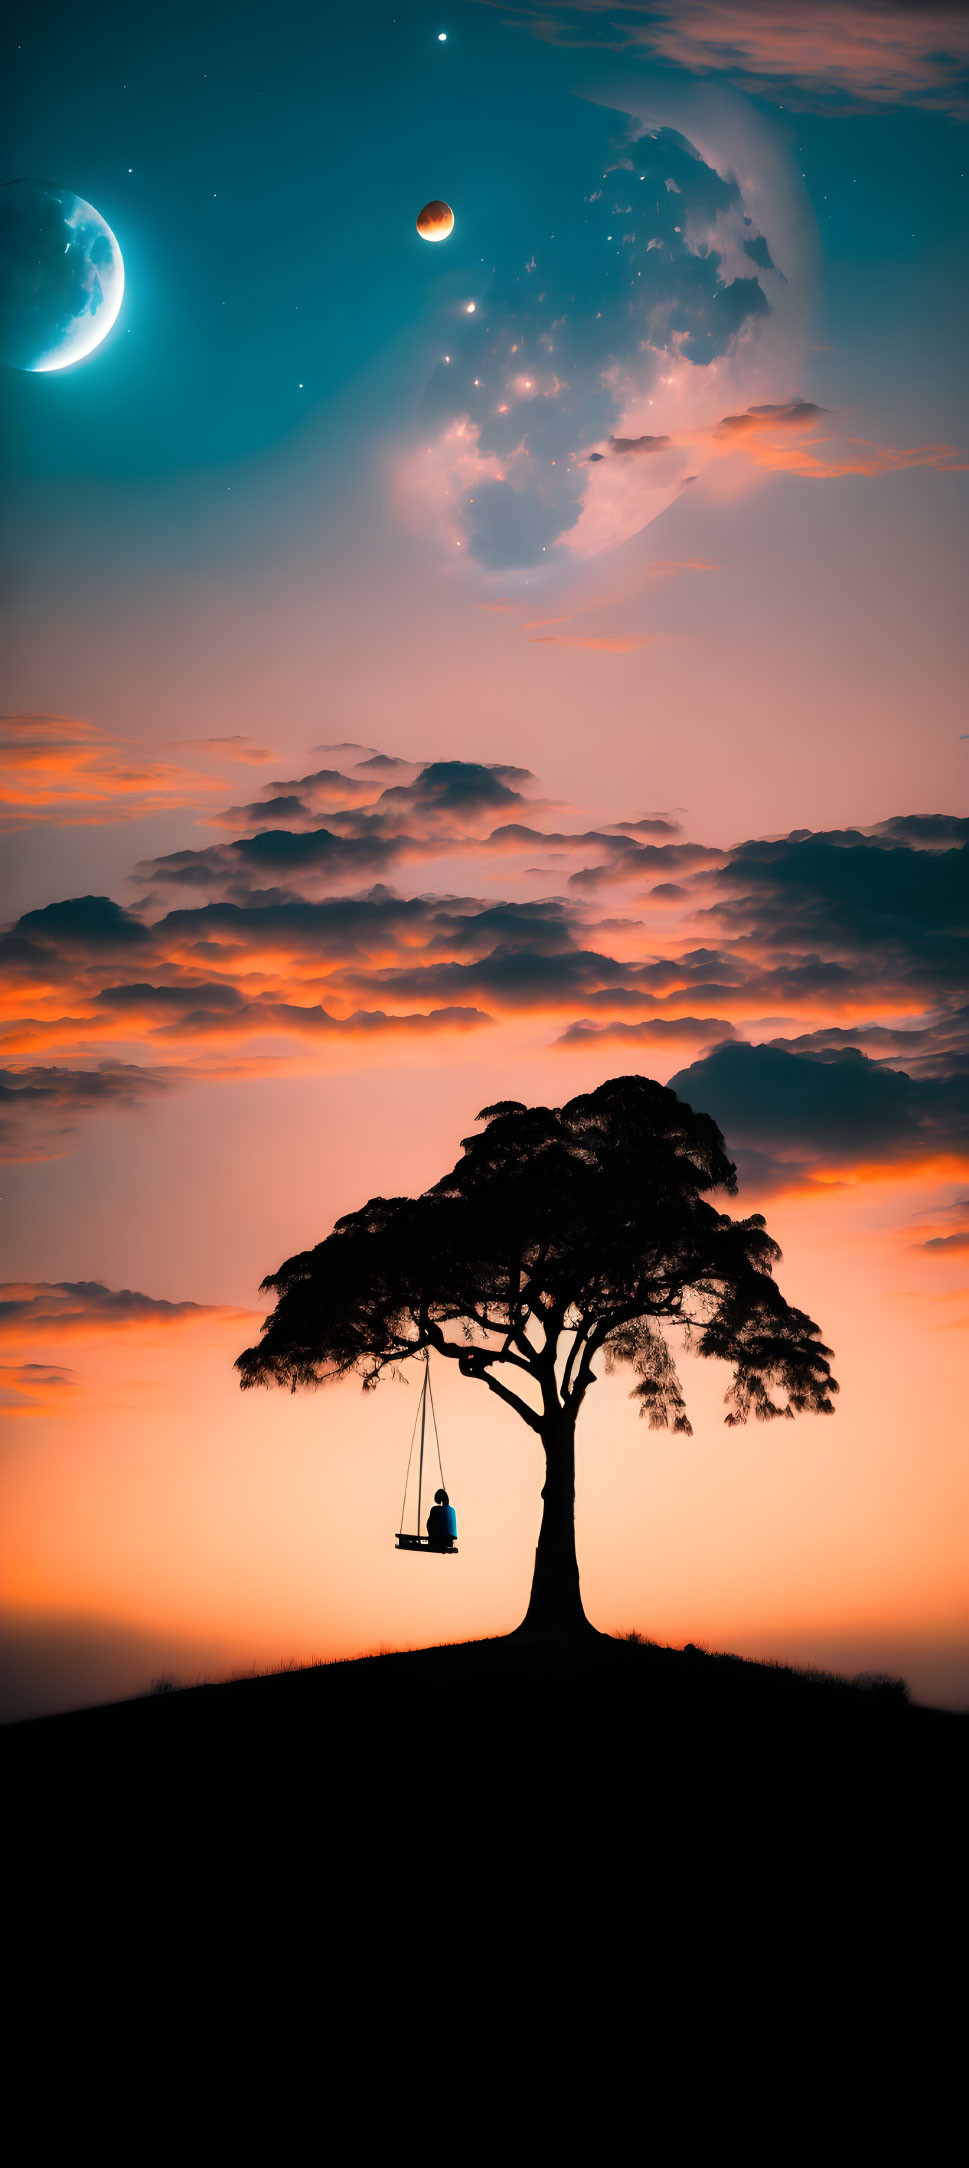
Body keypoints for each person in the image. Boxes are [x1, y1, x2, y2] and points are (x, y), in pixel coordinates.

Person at [426, 1487, 457, 1551]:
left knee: (431, 1523)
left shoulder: (435, 1509)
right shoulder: (452, 1510)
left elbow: (429, 1525)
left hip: (439, 1541)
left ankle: (433, 1540)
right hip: (450, 1542)